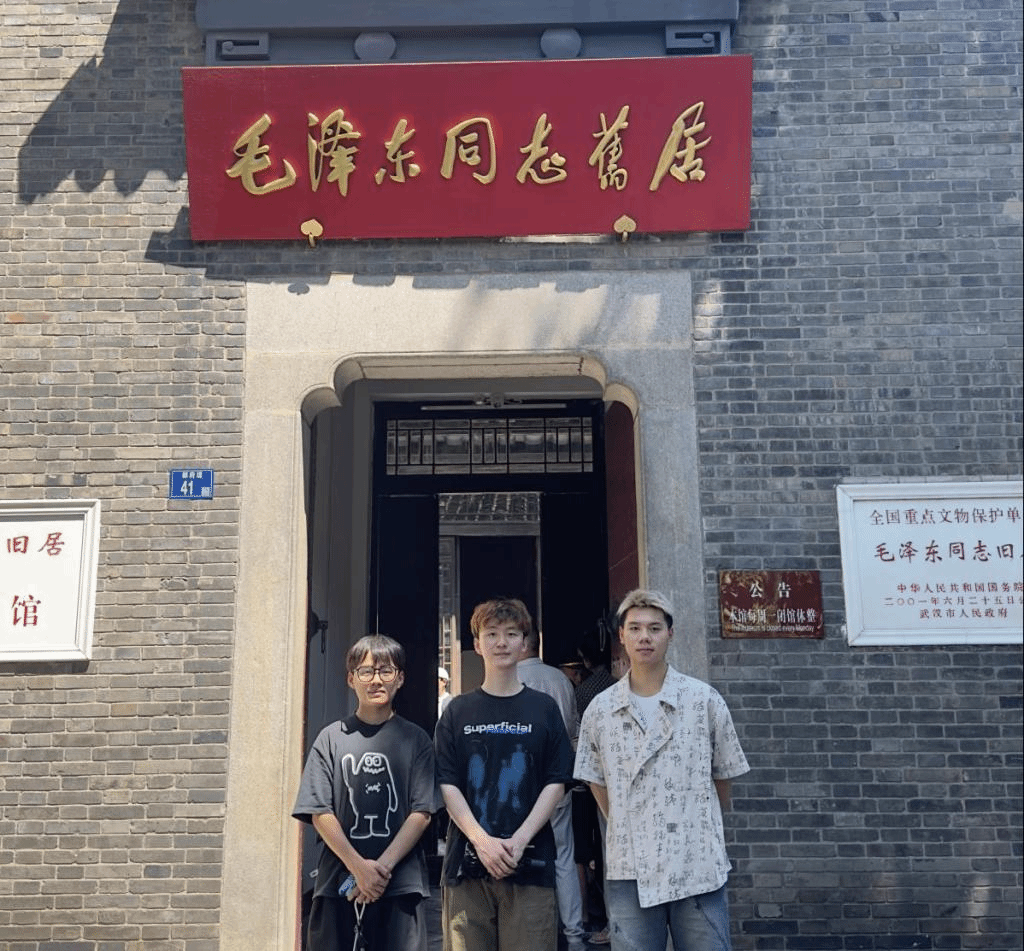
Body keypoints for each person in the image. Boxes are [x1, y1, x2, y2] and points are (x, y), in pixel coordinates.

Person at [574, 590, 750, 951]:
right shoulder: (601, 710)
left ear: (670, 634)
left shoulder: (703, 700)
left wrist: (695, 820)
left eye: (654, 628)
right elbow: (596, 780)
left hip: (696, 861)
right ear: (621, 635)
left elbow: (723, 777)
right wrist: (629, 820)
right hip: (631, 866)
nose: (645, 637)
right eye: (635, 628)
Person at [434, 597, 575, 951]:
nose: (501, 642)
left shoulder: (544, 708)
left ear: (525, 643)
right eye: (492, 634)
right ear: (477, 644)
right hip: (466, 868)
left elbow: (557, 780)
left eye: (511, 633)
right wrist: (482, 842)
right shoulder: (457, 712)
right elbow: (447, 784)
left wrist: (519, 840)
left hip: (531, 864)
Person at [293, 635, 439, 951]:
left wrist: (379, 871)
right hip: (338, 883)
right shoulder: (330, 739)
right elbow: (319, 811)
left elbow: (422, 812)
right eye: (366, 671)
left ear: (400, 678)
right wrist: (358, 868)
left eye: (386, 671)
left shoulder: (417, 740)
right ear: (351, 679)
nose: (376, 680)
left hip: (400, 885)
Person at [517, 629, 588, 951]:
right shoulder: (560, 679)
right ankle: (573, 934)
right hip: (558, 778)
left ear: (521, 645)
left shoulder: (511, 677)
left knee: (520, 854)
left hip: (521, 782)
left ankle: (528, 933)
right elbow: (573, 729)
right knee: (564, 856)